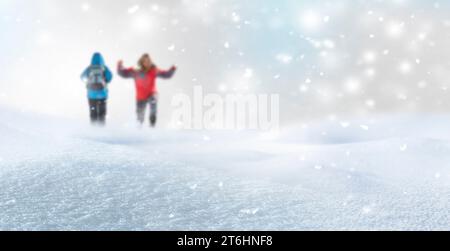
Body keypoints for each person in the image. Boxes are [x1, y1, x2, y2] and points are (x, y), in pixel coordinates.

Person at [117, 54, 176, 127]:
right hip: (140, 97)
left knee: (153, 102)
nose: (148, 63)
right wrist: (119, 66)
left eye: (149, 61)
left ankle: (152, 124)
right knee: (140, 118)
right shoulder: (135, 71)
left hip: (152, 94)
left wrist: (172, 69)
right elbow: (124, 74)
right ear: (142, 62)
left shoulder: (154, 70)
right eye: (146, 61)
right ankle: (139, 130)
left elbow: (166, 75)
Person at [81, 52, 113, 125]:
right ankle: (102, 129)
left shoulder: (89, 68)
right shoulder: (104, 68)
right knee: (102, 113)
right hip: (102, 94)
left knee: (93, 113)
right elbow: (110, 77)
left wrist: (88, 81)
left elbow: (82, 77)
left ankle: (93, 130)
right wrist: (105, 80)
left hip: (91, 94)